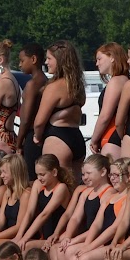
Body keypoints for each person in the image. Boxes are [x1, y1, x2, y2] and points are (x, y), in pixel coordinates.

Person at [33, 42, 88, 177]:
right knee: (74, 186)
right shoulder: (78, 86)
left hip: (57, 139)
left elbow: (39, 122)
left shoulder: (54, 87)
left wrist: (37, 137)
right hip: (77, 137)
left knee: (55, 185)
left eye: (49, 58)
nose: (46, 62)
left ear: (60, 60)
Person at [16, 153, 72, 248]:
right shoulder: (37, 184)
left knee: (24, 247)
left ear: (54, 172)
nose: (39, 178)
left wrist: (25, 238)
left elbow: (45, 214)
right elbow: (30, 212)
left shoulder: (61, 188)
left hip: (57, 237)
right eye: (37, 174)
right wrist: (19, 235)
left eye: (42, 174)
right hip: (44, 237)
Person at [90, 43, 130, 158]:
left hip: (111, 137)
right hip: (117, 136)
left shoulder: (116, 81)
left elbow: (105, 116)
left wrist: (94, 139)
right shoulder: (125, 80)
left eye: (99, 59)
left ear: (112, 57)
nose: (97, 63)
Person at [12, 43, 47, 173]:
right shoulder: (46, 81)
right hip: (43, 135)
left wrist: (18, 143)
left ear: (33, 59)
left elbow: (25, 119)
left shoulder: (32, 84)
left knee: (31, 177)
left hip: (31, 135)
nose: (19, 65)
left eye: (22, 61)